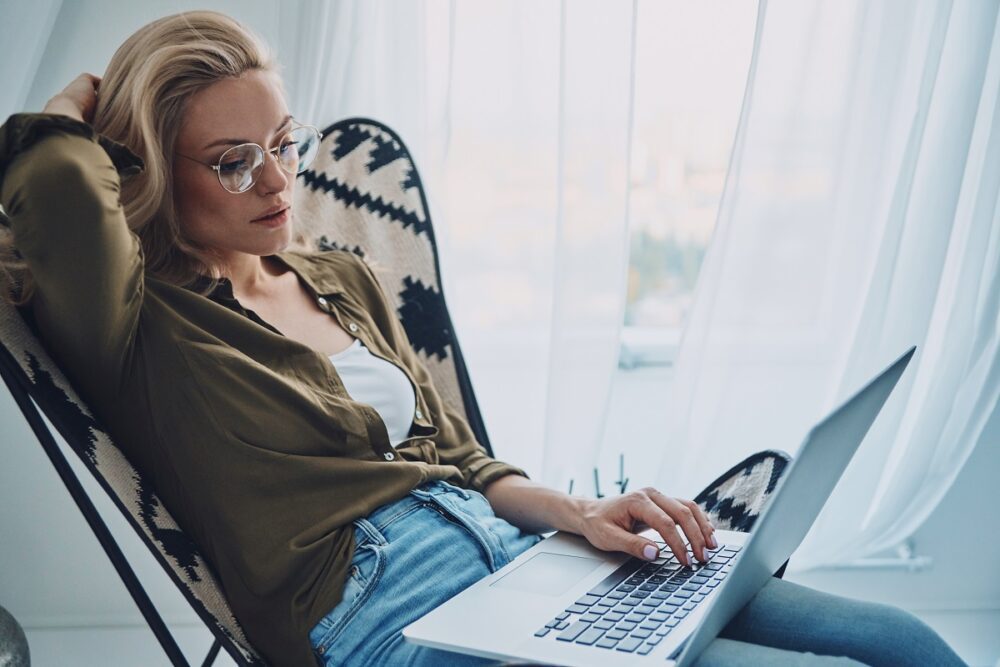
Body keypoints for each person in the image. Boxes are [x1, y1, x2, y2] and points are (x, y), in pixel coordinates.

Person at [0, 10, 966, 667]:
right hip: (381, 610)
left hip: (511, 558)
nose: (278, 184)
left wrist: (581, 513)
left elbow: (453, 452)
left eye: (285, 144)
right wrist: (71, 111)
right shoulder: (139, 326)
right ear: (153, 171)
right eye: (234, 161)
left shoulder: (336, 276)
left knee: (899, 640)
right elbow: (52, 194)